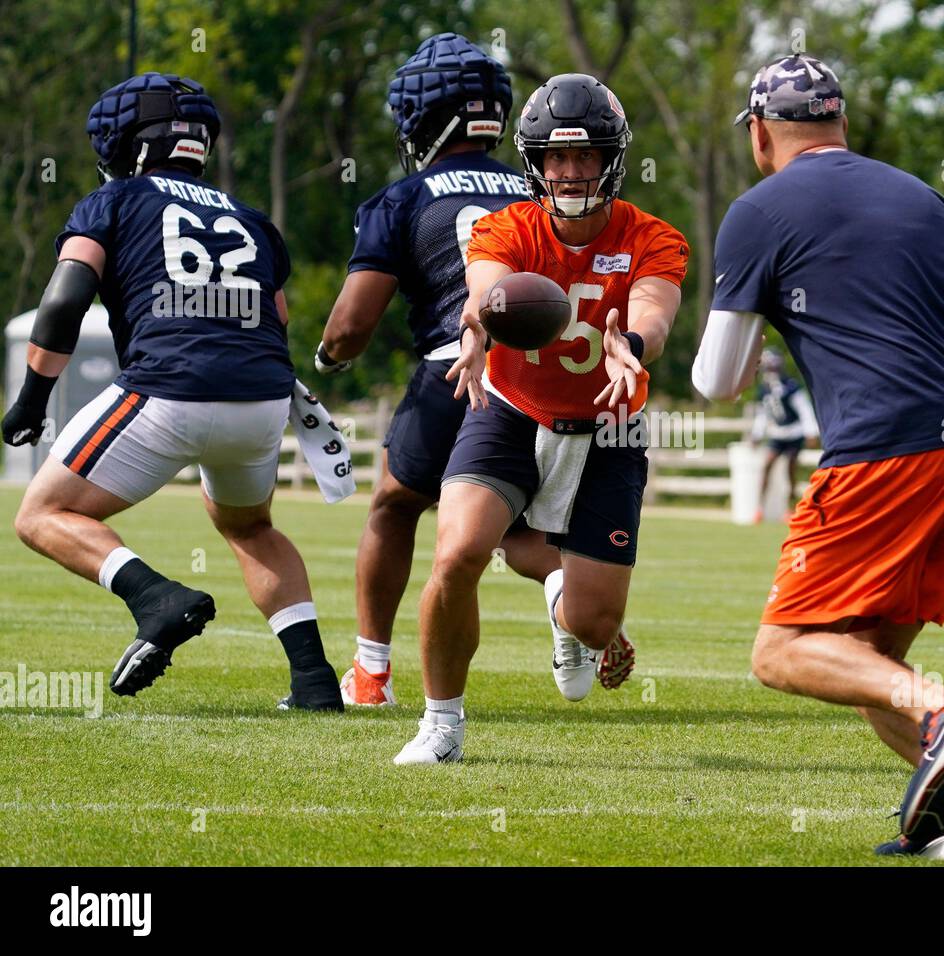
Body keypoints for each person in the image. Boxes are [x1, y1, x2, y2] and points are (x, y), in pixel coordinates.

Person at [692, 54, 944, 859]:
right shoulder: (925, 196)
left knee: (782, 652)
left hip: (887, 452)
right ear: (842, 123)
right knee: (864, 659)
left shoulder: (758, 210)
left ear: (761, 134)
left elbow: (718, 381)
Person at [2, 73, 342, 709]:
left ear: (124, 144)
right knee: (249, 527)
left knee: (41, 514)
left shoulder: (113, 202)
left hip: (169, 387)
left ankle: (156, 599)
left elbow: (65, 300)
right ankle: (315, 681)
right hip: (262, 398)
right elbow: (280, 318)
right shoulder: (251, 218)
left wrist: (30, 397)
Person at [315, 34, 633, 707]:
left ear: (423, 118)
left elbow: (352, 322)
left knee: (395, 508)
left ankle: (372, 672)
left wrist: (327, 359)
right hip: (535, 383)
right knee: (514, 534)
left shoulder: (406, 195)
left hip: (453, 368)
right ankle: (561, 597)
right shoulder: (538, 186)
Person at [392, 72, 688, 764]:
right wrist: (474, 336)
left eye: (586, 156)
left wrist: (632, 345)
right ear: (535, 161)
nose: (571, 171)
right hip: (512, 409)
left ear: (612, 158)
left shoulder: (654, 236)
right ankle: (442, 723)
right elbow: (487, 293)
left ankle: (571, 617)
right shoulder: (507, 226)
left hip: (608, 423)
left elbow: (654, 310)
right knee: (458, 553)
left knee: (594, 620)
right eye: (557, 157)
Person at [749, 349, 818, 521]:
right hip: (778, 434)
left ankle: (790, 508)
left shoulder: (791, 386)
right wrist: (757, 434)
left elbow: (804, 409)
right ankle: (759, 508)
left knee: (790, 470)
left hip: (794, 433)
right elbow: (763, 414)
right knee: (767, 465)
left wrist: (811, 432)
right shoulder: (764, 389)